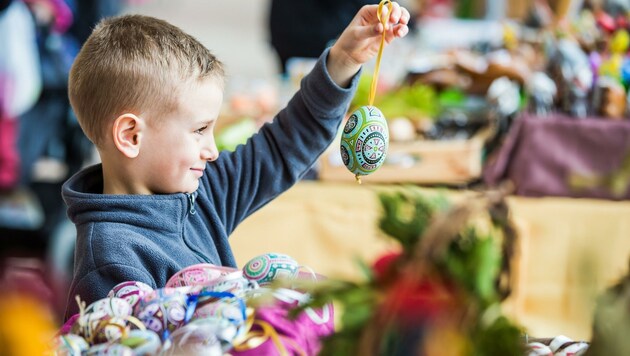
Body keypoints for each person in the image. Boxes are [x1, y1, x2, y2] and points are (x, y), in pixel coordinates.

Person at [62, 2, 410, 318]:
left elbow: (281, 148)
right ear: (131, 136)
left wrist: (345, 59)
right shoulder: (110, 263)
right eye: (199, 130)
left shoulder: (200, 192)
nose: (211, 150)